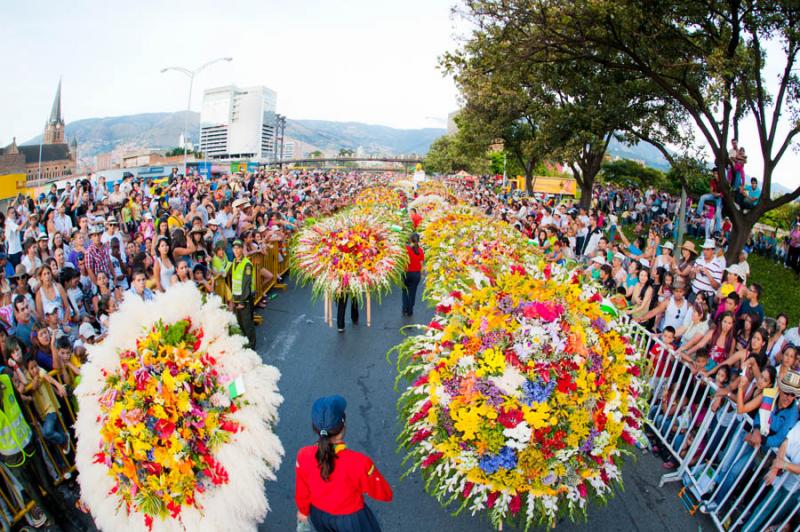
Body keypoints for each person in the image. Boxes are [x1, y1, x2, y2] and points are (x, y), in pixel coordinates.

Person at [295, 395, 393, 531]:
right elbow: (384, 494)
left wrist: (303, 511)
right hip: (351, 520)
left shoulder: (303, 455)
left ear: (315, 427)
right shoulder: (359, 462)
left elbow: (302, 490)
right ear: (343, 425)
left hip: (319, 516)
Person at [229, 239, 256, 348]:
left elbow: (246, 284)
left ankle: (251, 345)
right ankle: (244, 342)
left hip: (245, 299)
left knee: (247, 323)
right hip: (236, 297)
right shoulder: (234, 262)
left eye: (238, 248)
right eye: (234, 248)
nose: (236, 250)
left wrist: (242, 301)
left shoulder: (247, 264)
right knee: (240, 322)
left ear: (242, 249)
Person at [402, 233, 423, 317]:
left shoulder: (406, 249)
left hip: (406, 273)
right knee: (412, 292)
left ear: (410, 240)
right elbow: (421, 264)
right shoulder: (420, 250)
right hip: (416, 274)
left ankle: (405, 308)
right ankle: (410, 310)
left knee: (405, 292)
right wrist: (420, 273)